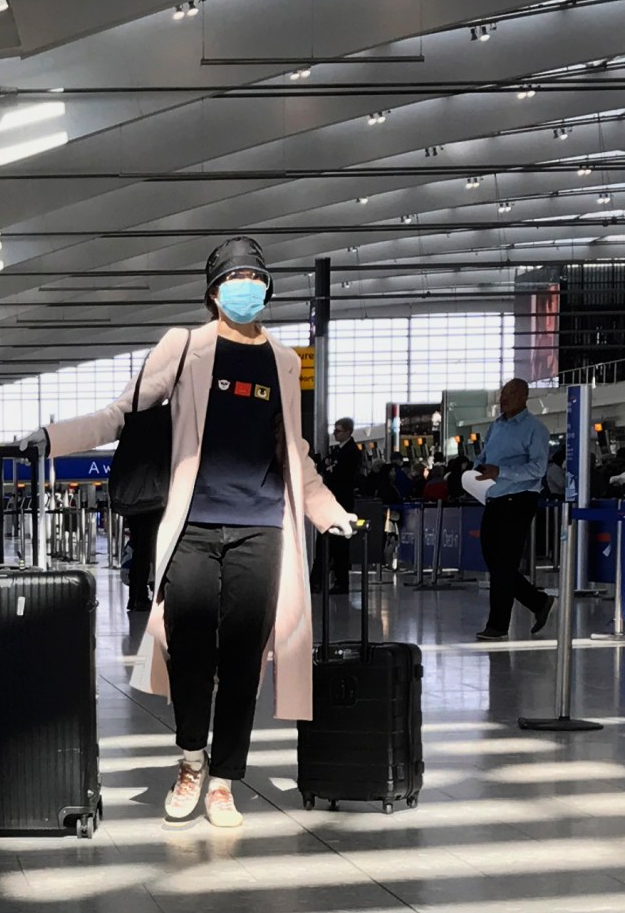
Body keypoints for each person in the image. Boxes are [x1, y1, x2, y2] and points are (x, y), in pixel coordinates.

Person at [24, 236, 356, 831]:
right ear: (213, 291)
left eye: (257, 276)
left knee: (244, 659)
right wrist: (54, 437)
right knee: (190, 650)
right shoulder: (185, 347)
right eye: (237, 277)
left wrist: (324, 506)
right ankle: (190, 761)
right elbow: (122, 411)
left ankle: (225, 780)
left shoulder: (283, 360)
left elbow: (294, 450)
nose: (247, 286)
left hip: (261, 527)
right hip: (193, 525)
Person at [472, 376, 552, 642]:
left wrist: (502, 471)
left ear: (523, 396)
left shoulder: (534, 429)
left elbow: (538, 468)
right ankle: (538, 601)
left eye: (508, 394)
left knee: (504, 564)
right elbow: (486, 456)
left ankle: (497, 625)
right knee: (493, 561)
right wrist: (477, 468)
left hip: (519, 500)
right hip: (494, 499)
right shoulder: (496, 426)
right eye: (502, 394)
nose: (502, 399)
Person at [320, 418, 368, 594]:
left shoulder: (351, 452)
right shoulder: (338, 451)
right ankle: (330, 579)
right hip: (334, 500)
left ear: (348, 432)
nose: (335, 433)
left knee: (340, 543)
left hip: (342, 501)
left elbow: (341, 475)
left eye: (338, 430)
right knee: (332, 542)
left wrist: (330, 472)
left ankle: (341, 581)